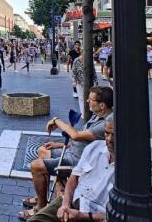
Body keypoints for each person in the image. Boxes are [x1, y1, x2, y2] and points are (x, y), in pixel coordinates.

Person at [19, 86, 114, 219]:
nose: (87, 101)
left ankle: (40, 207)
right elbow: (83, 141)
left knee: (36, 166)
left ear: (102, 105)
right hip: (72, 152)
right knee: (43, 150)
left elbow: (76, 135)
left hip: (77, 161)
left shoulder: (106, 124)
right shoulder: (96, 116)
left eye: (90, 99)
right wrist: (58, 144)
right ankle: (40, 198)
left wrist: (56, 120)